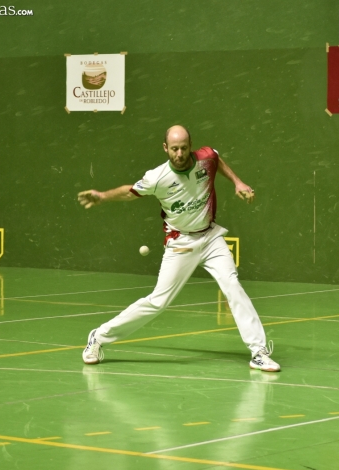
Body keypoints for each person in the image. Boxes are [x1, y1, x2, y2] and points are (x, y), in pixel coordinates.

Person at [76, 125, 280, 372]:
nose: (180, 154)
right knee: (158, 302)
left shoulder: (205, 158)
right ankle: (98, 337)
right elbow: (130, 193)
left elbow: (217, 159)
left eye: (184, 148)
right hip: (180, 243)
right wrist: (103, 196)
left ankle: (258, 351)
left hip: (211, 238)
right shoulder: (157, 177)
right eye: (174, 149)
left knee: (232, 285)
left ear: (190, 145)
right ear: (165, 148)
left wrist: (238, 182)